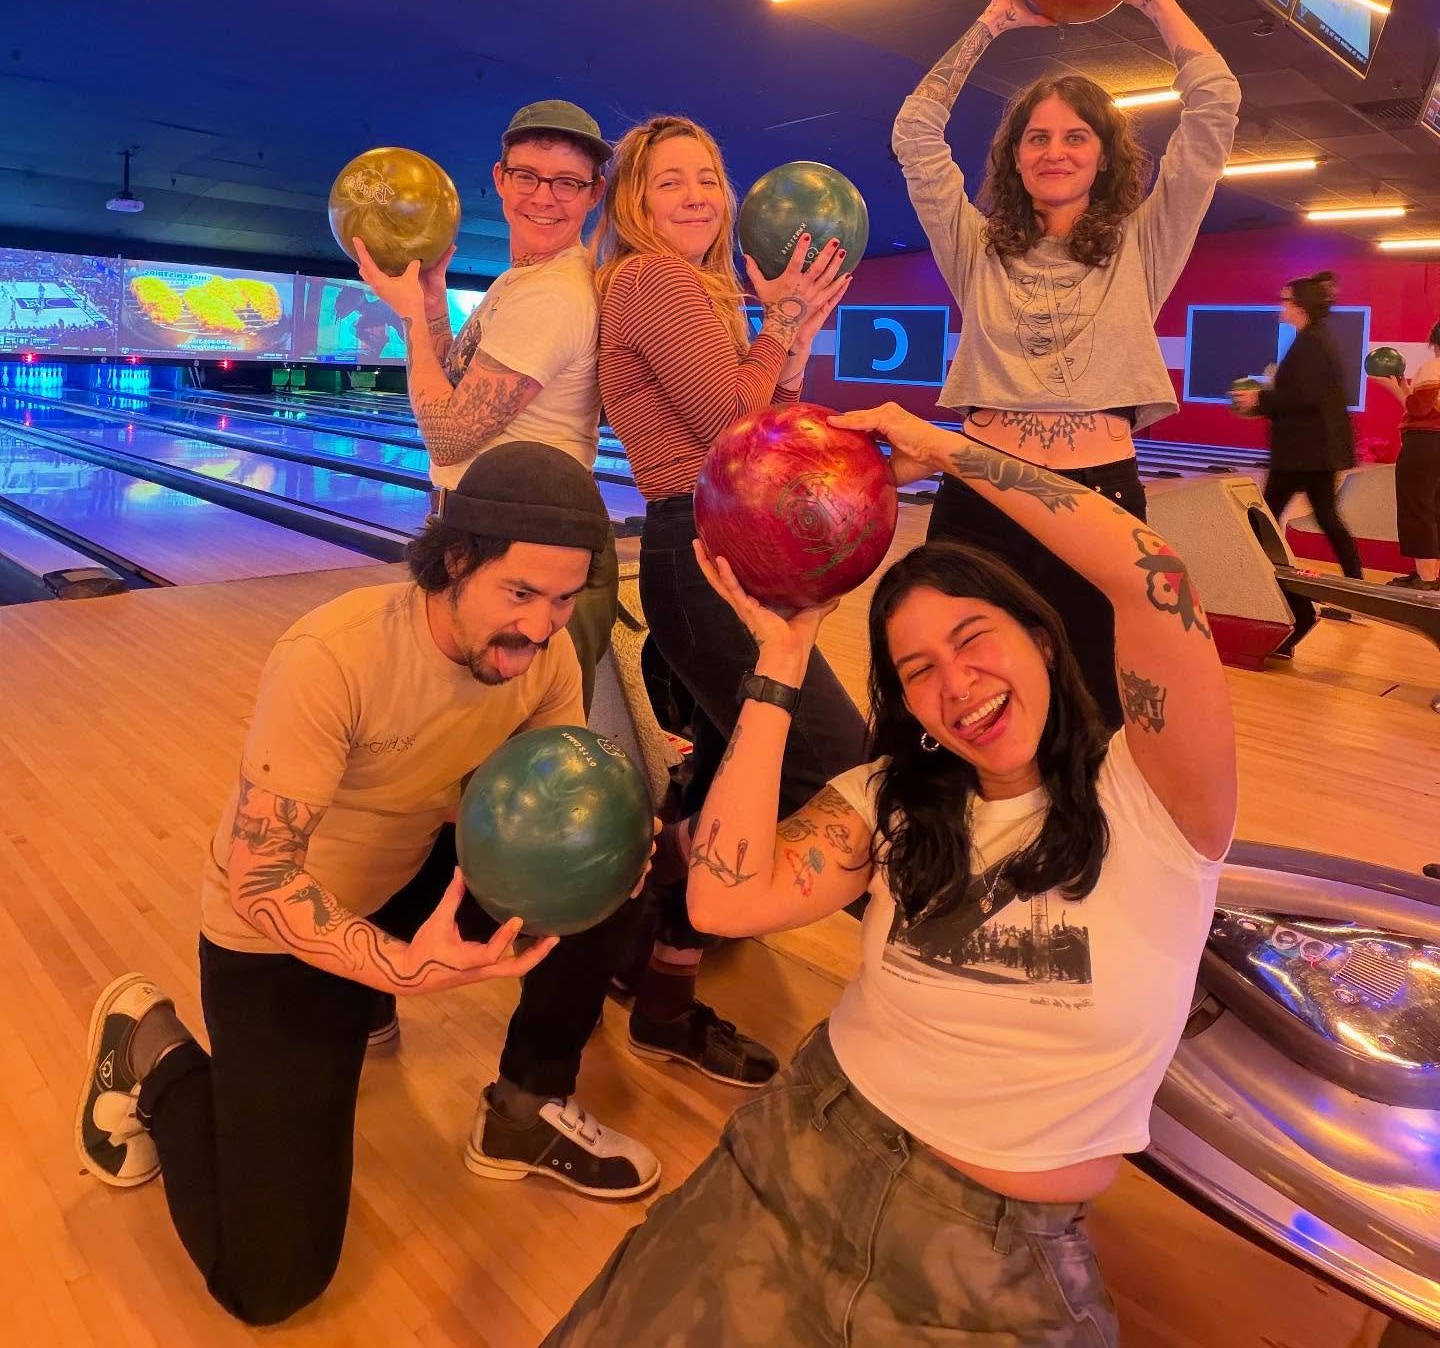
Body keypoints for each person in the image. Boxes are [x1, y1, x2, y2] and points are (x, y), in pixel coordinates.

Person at [544, 400, 1236, 1346]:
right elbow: (721, 899)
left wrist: (953, 453)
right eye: (916, 669)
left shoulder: (1156, 800)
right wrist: (783, 658)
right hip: (805, 1146)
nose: (956, 683)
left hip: (993, 1250)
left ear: (1039, 636)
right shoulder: (891, 798)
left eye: (973, 637)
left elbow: (1152, 575)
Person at [75, 445, 661, 1327]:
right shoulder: (334, 656)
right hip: (274, 925)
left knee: (608, 883)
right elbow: (260, 879)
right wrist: (396, 966)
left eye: (563, 600)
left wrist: (608, 845)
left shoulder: (544, 660)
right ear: (457, 560)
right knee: (272, 1283)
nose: (541, 628)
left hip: (414, 865)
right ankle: (149, 1051)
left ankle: (527, 1103)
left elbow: (544, 811)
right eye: (521, 594)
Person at [892, 0, 1241, 724]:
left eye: (1075, 136)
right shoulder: (975, 245)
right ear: (1015, 157)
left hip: (1099, 499)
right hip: (982, 496)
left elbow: (1216, 104)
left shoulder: (1142, 243)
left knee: (1086, 704)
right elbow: (915, 132)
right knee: (958, 700)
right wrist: (991, 21)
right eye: (1037, 137)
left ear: (1103, 154)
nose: (1055, 150)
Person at [595, 115, 862, 1087]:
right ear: (636, 201)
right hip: (701, 560)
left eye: (708, 177)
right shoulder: (649, 278)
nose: (699, 196)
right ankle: (929, 990)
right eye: (672, 183)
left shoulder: (695, 290)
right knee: (840, 759)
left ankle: (656, 986)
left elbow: (770, 416)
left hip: (722, 553)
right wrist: (783, 327)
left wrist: (788, 333)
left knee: (716, 785)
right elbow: (729, 422)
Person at [355, 99, 617, 710]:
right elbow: (455, 385)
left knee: (520, 772)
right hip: (500, 555)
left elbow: (448, 435)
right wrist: (430, 298)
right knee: (471, 757)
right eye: (526, 175)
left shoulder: (552, 297)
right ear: (500, 179)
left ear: (594, 193)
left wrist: (410, 319)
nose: (543, 197)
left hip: (533, 570)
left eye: (567, 183)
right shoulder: (517, 281)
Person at [1233, 273, 1362, 580]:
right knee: (1324, 516)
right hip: (1315, 451)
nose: (1282, 305)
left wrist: (1259, 399)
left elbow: (1302, 396)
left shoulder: (1311, 343)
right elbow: (1305, 393)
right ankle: (1354, 578)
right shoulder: (1314, 339)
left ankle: (1255, 577)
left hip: (1303, 452)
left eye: (1286, 299)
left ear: (1301, 305)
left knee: (1265, 513)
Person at [1373, 319, 1440, 590]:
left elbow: (1418, 410)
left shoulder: (1433, 368)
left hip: (1424, 445)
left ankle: (1425, 580)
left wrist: (1392, 388)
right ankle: (1432, 577)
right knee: (1435, 509)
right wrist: (1404, 388)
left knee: (1417, 509)